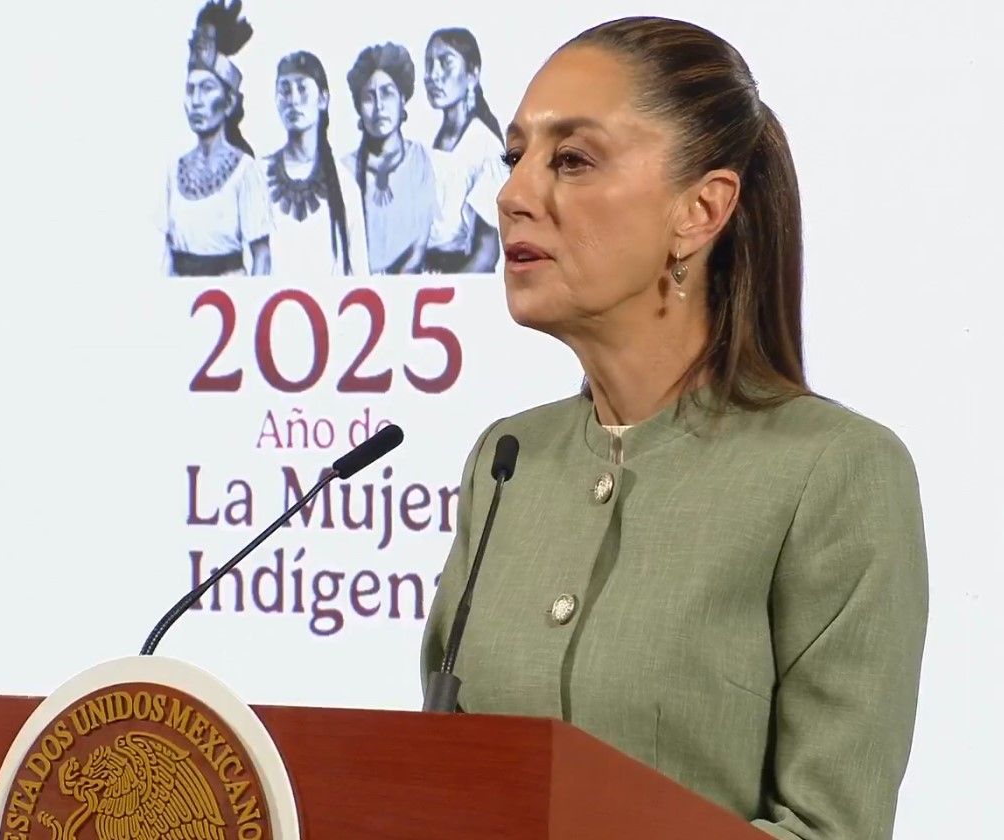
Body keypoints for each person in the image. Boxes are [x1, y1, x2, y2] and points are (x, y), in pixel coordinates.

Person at [421, 17, 927, 840]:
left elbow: (828, 827)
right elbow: (435, 781)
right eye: (514, 157)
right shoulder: (506, 461)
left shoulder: (835, 473)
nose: (512, 195)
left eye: (571, 159)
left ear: (701, 210)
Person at [163, 0, 271, 276]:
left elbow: (261, 257)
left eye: (207, 88)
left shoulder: (246, 171)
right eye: (191, 90)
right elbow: (167, 255)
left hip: (229, 294)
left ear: (229, 101)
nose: (196, 101)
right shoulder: (174, 170)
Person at [261, 52, 369, 276]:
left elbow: (359, 274)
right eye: (285, 90)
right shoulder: (258, 176)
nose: (293, 100)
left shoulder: (345, 185)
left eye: (302, 89)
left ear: (322, 99)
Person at [343, 43, 438, 275]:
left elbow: (419, 245)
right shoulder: (344, 170)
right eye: (369, 97)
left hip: (408, 285)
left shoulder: (420, 160)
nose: (379, 107)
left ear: (402, 99)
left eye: (387, 93)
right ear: (358, 107)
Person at [422, 28, 507, 274]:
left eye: (445, 63)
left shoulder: (485, 147)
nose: (433, 75)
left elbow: (487, 253)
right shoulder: (426, 142)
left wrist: (452, 290)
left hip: (462, 277)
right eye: (429, 64)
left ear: (472, 75)